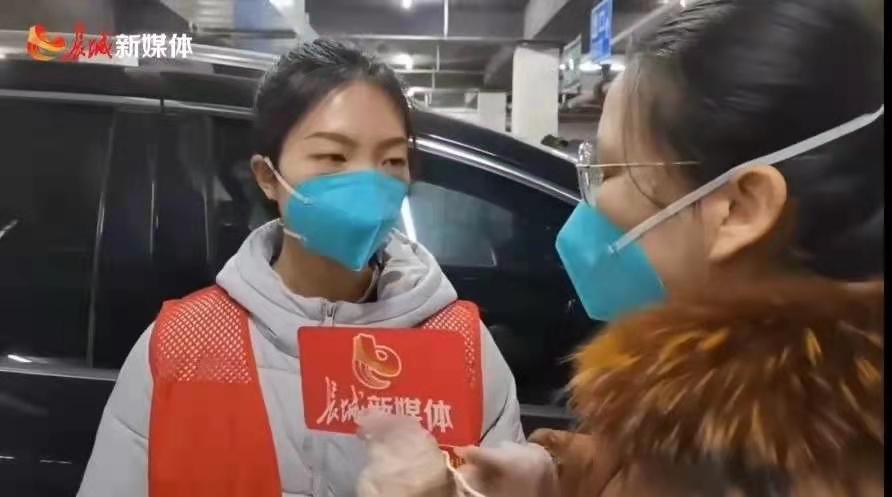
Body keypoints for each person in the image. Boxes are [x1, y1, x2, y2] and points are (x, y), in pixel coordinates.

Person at [355, 0, 884, 495]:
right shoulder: (725, 428)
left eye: (609, 171)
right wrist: (556, 476)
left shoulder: (789, 473)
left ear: (741, 208)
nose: (591, 205)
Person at [77, 39, 524, 497]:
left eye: (391, 160)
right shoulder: (182, 343)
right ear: (267, 177)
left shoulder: (462, 347)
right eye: (333, 157)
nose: (369, 183)